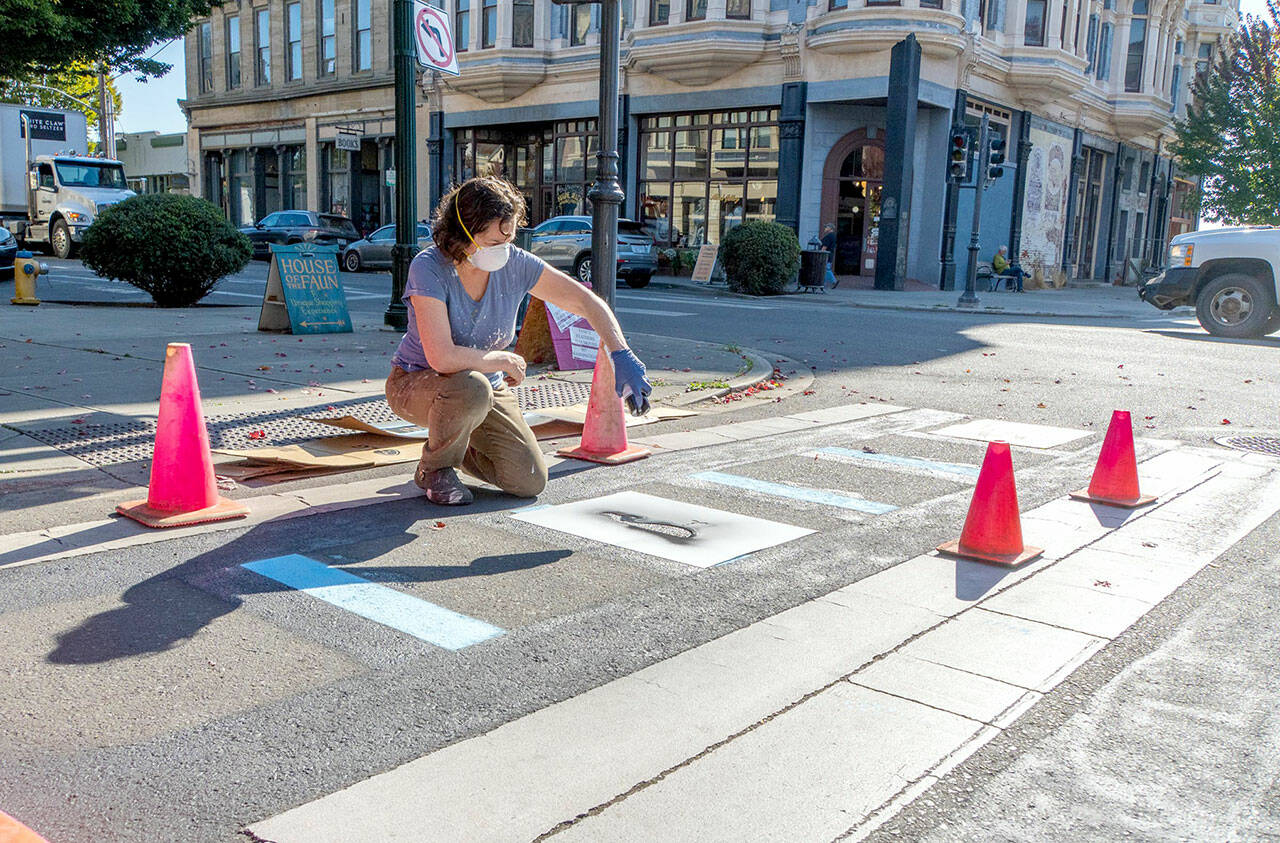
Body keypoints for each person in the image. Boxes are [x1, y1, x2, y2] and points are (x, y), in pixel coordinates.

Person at [386, 177, 652, 506]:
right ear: (463, 233)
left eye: (509, 238)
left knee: (529, 480)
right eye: (494, 242)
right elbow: (441, 357)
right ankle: (434, 469)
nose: (505, 250)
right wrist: (499, 360)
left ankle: (460, 440)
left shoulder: (515, 263)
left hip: (483, 387)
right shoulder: (428, 268)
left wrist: (621, 352)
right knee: (472, 387)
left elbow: (584, 301)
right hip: (417, 382)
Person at [820, 223, 839, 289]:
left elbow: (825, 246)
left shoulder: (829, 236)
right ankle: (822, 283)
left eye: (826, 227)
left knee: (826, 268)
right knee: (825, 269)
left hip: (826, 255)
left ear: (830, 228)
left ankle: (833, 281)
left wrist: (820, 253)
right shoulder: (833, 236)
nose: (825, 228)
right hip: (830, 254)